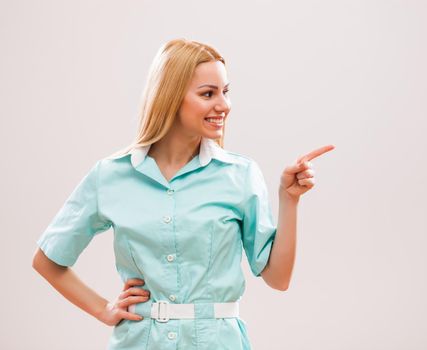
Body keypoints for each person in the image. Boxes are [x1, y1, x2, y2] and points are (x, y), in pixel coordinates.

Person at [32, 38, 335, 350]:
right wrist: (102, 308)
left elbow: (278, 278)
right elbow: (47, 260)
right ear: (171, 97)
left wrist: (289, 199)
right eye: (208, 94)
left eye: (225, 92)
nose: (224, 105)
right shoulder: (110, 175)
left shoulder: (240, 175)